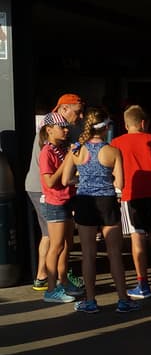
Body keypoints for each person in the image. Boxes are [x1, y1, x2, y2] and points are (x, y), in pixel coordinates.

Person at [67, 107, 136, 314]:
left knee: (88, 254)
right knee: (114, 253)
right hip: (106, 200)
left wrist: (83, 180)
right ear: (105, 127)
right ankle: (123, 299)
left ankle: (90, 300)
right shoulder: (113, 151)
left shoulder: (77, 150)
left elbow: (67, 179)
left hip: (85, 201)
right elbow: (121, 183)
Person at [113, 105, 151, 298]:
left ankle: (142, 284)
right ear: (143, 123)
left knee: (137, 237)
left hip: (131, 194)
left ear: (125, 124)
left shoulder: (116, 142)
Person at [26, 94, 84, 292]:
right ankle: (51, 279)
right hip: (45, 191)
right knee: (53, 238)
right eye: (77, 111)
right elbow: (50, 175)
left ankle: (51, 277)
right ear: (63, 109)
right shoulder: (51, 135)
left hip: (55, 192)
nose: (80, 116)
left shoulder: (60, 132)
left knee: (55, 237)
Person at [38, 112, 84, 305]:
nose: (66, 130)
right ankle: (50, 289)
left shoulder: (61, 149)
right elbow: (49, 181)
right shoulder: (47, 152)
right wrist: (66, 162)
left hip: (68, 200)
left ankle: (63, 281)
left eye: (67, 127)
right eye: (62, 127)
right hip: (55, 202)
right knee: (56, 246)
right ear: (49, 130)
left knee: (66, 245)